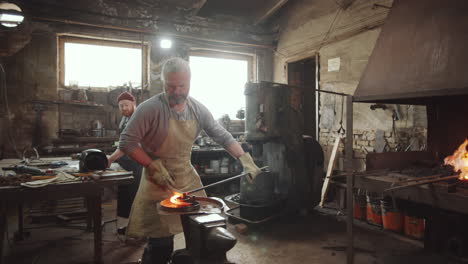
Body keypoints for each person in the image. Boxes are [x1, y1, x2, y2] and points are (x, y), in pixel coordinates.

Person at [118, 57, 261, 264]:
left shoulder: (198, 109)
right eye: (170, 86)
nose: (176, 91)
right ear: (164, 83)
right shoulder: (150, 109)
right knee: (160, 242)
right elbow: (127, 142)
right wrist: (151, 165)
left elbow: (222, 136)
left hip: (186, 178)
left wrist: (244, 158)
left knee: (201, 233)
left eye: (182, 86)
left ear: (190, 83)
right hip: (157, 179)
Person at [107, 92, 142, 234]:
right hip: (126, 161)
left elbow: (128, 144)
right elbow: (122, 142)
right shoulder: (125, 119)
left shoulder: (138, 118)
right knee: (125, 193)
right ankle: (126, 225)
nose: (123, 108)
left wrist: (110, 158)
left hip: (137, 162)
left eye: (126, 105)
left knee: (135, 195)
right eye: (121, 106)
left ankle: (138, 228)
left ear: (133, 104)